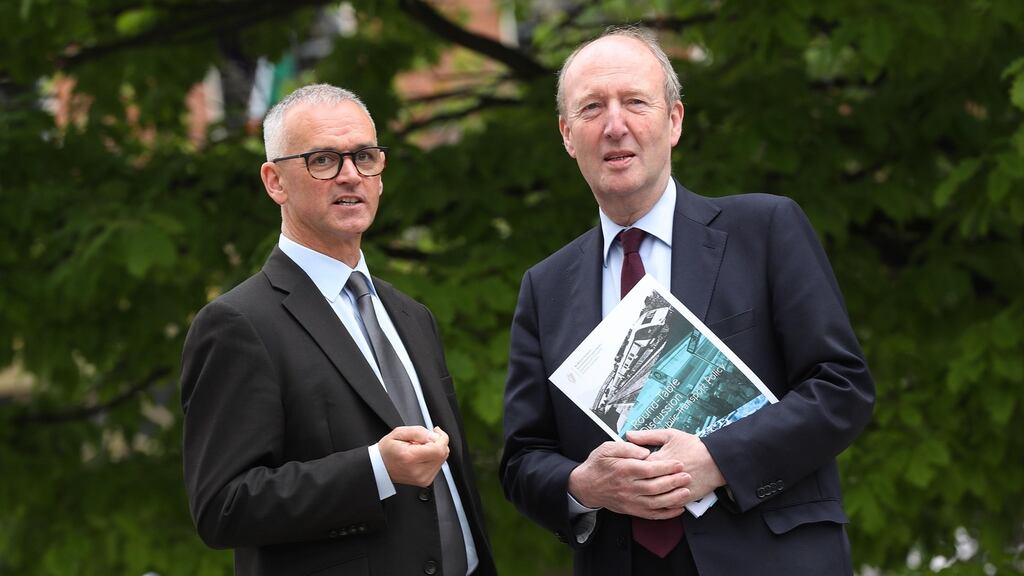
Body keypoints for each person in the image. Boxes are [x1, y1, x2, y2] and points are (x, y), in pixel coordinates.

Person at [499, 26, 874, 576]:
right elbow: (522, 457)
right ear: (566, 135)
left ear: (674, 121)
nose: (615, 125)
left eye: (635, 102)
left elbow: (841, 388)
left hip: (770, 557)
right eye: (592, 108)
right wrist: (584, 485)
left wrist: (719, 460)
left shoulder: (765, 230)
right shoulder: (545, 286)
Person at [181, 83, 497, 576]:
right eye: (323, 160)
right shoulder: (238, 324)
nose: (350, 175)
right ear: (274, 182)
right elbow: (223, 507)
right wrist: (375, 471)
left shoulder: (411, 315)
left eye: (365, 156)